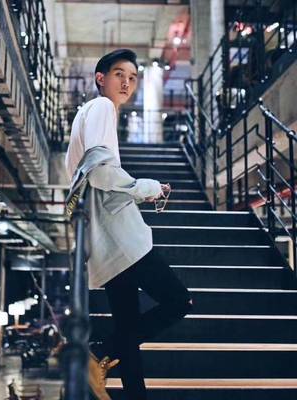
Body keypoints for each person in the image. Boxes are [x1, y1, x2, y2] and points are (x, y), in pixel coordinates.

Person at [65, 49, 193, 400]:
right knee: (179, 301)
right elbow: (100, 173)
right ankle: (97, 352)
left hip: (102, 244)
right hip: (122, 240)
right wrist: (147, 188)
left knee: (128, 332)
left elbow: (92, 178)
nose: (126, 83)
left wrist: (136, 191)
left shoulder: (84, 117)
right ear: (100, 78)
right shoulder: (102, 108)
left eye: (133, 77)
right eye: (119, 74)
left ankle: (115, 372)